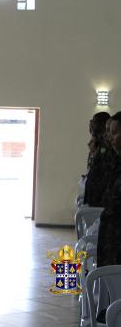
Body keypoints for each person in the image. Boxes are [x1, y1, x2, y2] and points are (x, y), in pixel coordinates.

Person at [95, 111, 121, 322]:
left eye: (115, 132)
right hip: (112, 233)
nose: (110, 137)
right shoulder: (115, 159)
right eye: (109, 132)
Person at [84, 112, 115, 206]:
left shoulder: (107, 144)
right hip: (94, 193)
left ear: (102, 124)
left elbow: (106, 168)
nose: (91, 124)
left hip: (102, 195)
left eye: (94, 121)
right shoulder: (97, 141)